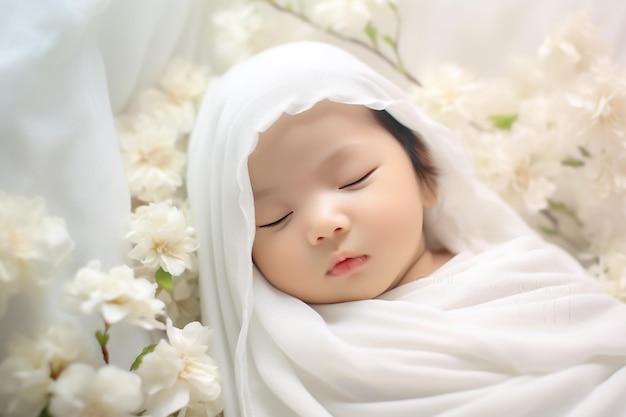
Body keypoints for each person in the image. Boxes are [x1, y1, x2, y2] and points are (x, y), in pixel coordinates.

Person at [186, 41, 626, 417]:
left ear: (426, 173)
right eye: (275, 218)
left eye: (354, 178)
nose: (324, 224)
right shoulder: (298, 366)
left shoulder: (523, 278)